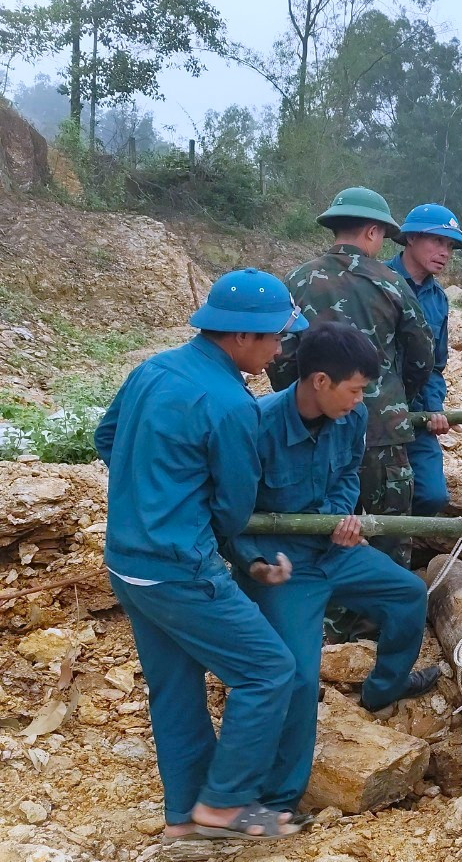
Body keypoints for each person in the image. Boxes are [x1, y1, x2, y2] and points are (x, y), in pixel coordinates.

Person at [94, 268, 308, 841]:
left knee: (175, 687)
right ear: (241, 337)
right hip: (179, 570)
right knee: (268, 670)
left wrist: (149, 493)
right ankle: (225, 804)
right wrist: (192, 521)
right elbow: (234, 506)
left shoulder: (152, 369)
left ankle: (185, 817)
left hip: (126, 562)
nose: (280, 348)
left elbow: (106, 437)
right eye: (276, 337)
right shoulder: (232, 405)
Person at [226, 321, 437, 817]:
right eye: (355, 389)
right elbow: (230, 507)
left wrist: (342, 517)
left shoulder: (351, 418)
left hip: (335, 552)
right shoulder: (256, 424)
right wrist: (253, 561)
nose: (360, 401)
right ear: (319, 381)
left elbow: (346, 476)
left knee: (408, 593)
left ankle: (383, 689)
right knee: (297, 677)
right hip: (284, 566)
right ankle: (277, 801)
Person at [267, 187, 435, 570]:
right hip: (382, 430)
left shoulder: (296, 280)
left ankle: (332, 613)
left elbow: (278, 356)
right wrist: (393, 395)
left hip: (312, 432)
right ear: (374, 232)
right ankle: (383, 607)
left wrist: (306, 405)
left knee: (325, 521)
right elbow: (423, 353)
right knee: (388, 527)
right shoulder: (391, 281)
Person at [386, 204, 462, 516]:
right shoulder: (377, 282)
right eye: (437, 241)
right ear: (411, 239)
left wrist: (434, 408)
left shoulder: (438, 300)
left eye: (449, 246)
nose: (444, 252)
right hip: (371, 415)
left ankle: (406, 549)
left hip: (417, 414)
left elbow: (436, 365)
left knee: (432, 495)